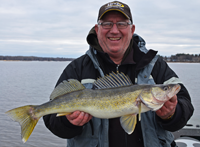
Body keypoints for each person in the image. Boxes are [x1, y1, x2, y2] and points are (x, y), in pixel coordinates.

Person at [43, 1, 194, 147]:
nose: (114, 30)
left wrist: (172, 114)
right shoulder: (77, 68)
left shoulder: (155, 64)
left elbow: (185, 105)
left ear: (132, 29)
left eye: (121, 24)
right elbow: (51, 120)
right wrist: (68, 122)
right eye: (107, 24)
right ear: (97, 29)